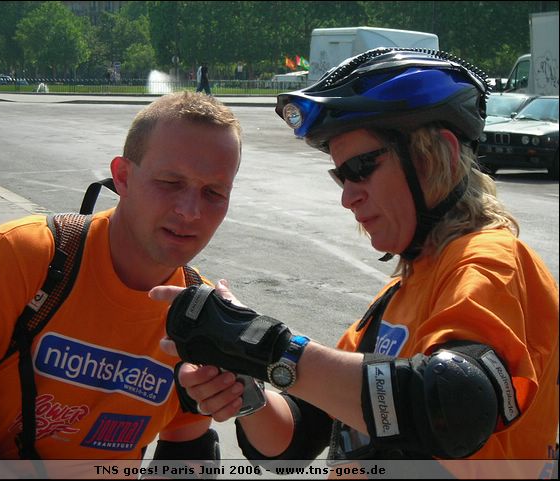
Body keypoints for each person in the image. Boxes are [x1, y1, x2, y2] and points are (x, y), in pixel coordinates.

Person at [151, 48, 559, 466]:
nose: (348, 196)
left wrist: (263, 344)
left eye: (362, 168)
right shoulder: (401, 293)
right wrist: (244, 383)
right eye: (340, 175)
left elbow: (454, 405)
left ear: (440, 155)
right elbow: (295, 440)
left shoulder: (492, 262)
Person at [0, 92, 243, 465]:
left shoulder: (196, 313)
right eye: (170, 182)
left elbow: (187, 446)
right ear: (122, 176)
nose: (190, 211)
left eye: (214, 192)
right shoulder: (24, 256)